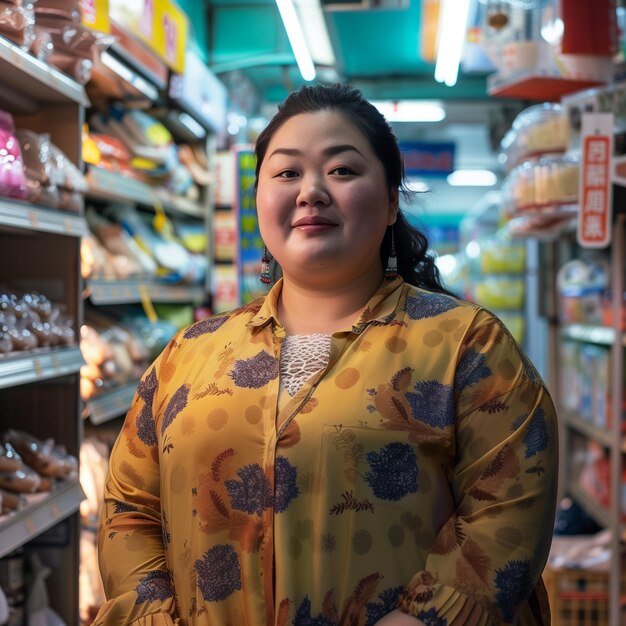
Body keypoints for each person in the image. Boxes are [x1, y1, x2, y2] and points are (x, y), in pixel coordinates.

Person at [91, 84, 558, 626]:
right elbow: (129, 510)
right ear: (260, 199)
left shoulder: (466, 346)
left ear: (389, 203)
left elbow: (506, 514)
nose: (311, 191)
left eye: (341, 170)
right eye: (287, 173)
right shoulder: (187, 356)